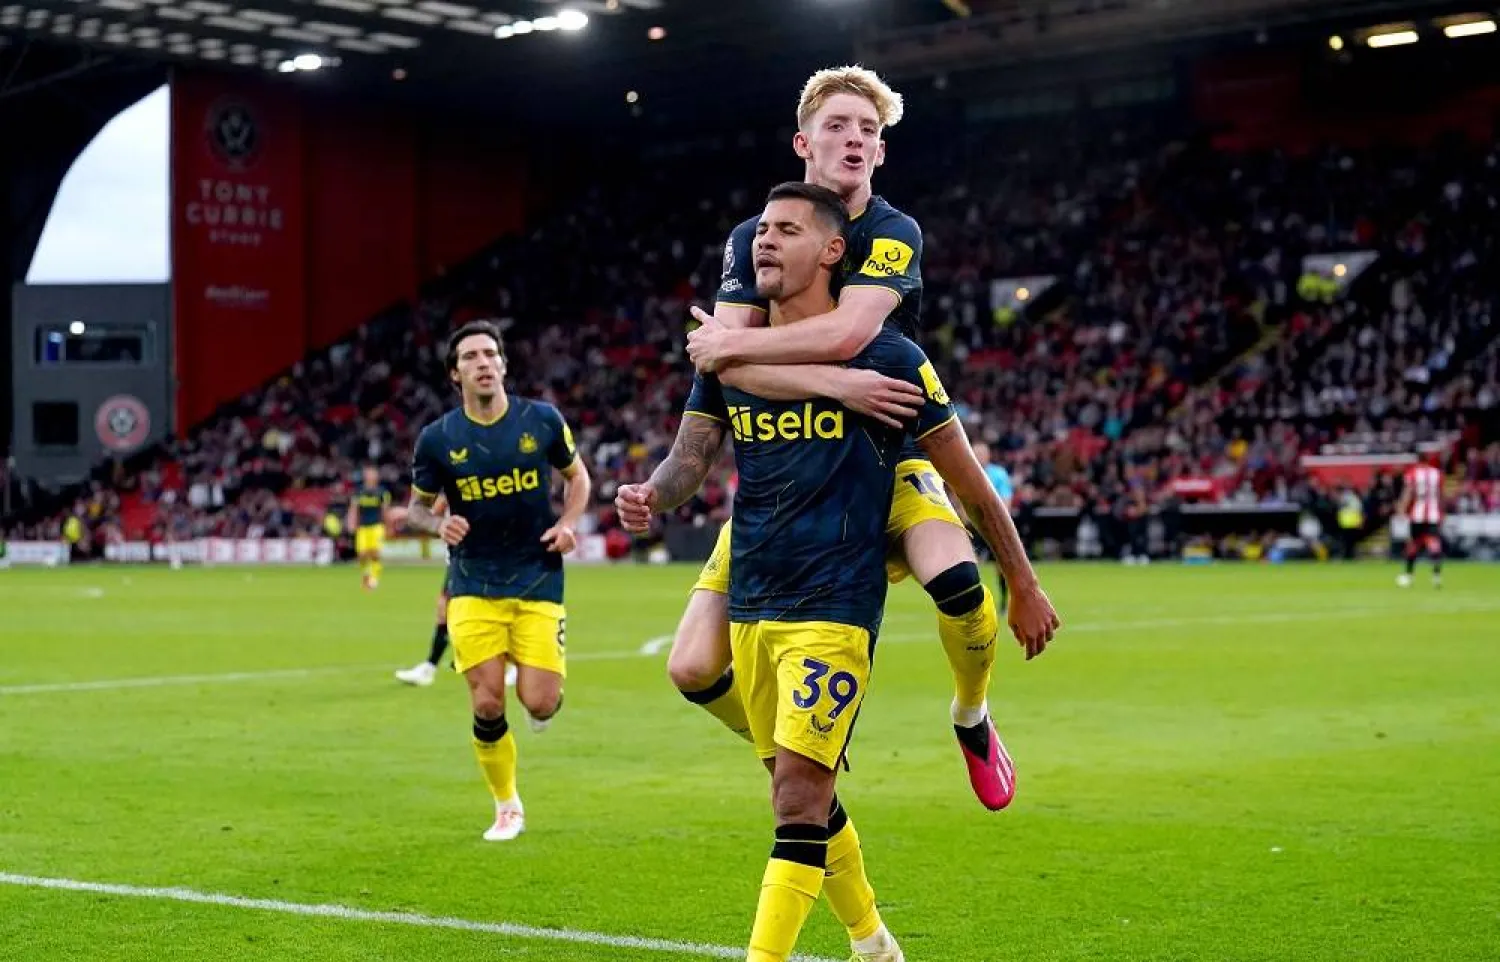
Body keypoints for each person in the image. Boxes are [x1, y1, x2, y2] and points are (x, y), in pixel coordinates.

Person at [620, 183, 1059, 962]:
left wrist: (1021, 580)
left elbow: (967, 479)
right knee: (799, 791)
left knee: (796, 798)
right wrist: (651, 494)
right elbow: (691, 456)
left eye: (785, 231)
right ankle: (872, 940)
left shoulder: (891, 357)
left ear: (832, 250)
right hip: (755, 591)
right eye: (760, 229)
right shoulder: (730, 353)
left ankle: (971, 712)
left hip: (835, 601)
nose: (762, 240)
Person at [637, 65, 1056, 810]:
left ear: (882, 152)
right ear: (804, 142)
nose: (855, 139)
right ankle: (793, 755)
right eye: (837, 126)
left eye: (869, 130)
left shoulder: (892, 232)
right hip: (789, 473)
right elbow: (725, 372)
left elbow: (841, 335)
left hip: (889, 453)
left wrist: (1022, 579)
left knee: (960, 585)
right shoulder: (756, 237)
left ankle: (972, 715)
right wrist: (831, 383)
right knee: (693, 668)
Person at [405, 320, 592, 841]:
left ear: (504, 365)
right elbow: (415, 510)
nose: (483, 363)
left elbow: (577, 477)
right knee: (487, 703)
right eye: (470, 357)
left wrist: (569, 523)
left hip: (538, 577)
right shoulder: (437, 439)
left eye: (490, 354)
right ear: (455, 374)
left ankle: (542, 701)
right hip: (473, 582)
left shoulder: (542, 420)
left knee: (540, 702)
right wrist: (437, 524)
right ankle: (507, 806)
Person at [395, 495, 455, 687]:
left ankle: (516, 665)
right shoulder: (450, 487)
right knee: (444, 612)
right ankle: (429, 668)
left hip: (477, 560)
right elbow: (431, 515)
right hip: (458, 560)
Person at [1397, 454, 1445, 588]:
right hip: (1434, 514)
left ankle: (1409, 576)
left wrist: (1402, 508)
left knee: (1413, 544)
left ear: (1418, 461)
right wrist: (1442, 512)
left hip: (1417, 514)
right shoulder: (1437, 474)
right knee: (1434, 543)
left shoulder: (1413, 473)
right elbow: (1441, 495)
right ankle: (1436, 576)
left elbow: (1409, 492)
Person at [348, 464, 390, 590]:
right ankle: (366, 575)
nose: (371, 476)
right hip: (363, 527)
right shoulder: (358, 492)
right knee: (362, 554)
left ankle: (374, 578)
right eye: (369, 474)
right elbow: (354, 509)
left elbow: (385, 511)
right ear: (365, 476)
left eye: (373, 474)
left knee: (375, 553)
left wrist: (388, 526)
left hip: (377, 526)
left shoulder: (382, 492)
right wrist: (351, 523)